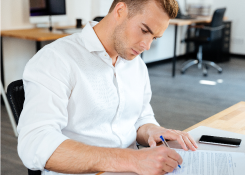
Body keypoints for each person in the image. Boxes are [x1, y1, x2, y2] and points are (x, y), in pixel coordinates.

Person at [17, 0, 198, 175]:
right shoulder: (56, 59)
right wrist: (131, 160)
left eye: (154, 37)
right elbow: (34, 144)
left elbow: (140, 118)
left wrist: (152, 130)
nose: (147, 45)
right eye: (144, 30)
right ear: (120, 11)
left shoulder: (136, 65)